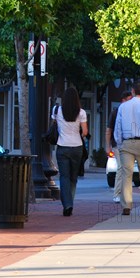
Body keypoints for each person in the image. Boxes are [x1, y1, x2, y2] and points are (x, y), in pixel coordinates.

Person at [113, 81, 140, 216]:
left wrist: (120, 143)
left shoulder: (123, 107)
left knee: (127, 175)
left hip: (126, 143)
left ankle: (126, 206)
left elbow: (118, 127)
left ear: (132, 91)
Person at [53, 86, 88, 216]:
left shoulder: (56, 110)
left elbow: (55, 126)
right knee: (73, 177)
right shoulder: (82, 112)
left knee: (64, 177)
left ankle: (67, 204)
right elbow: (85, 132)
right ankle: (69, 203)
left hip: (62, 147)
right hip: (77, 147)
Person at [105, 90, 133, 202]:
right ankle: (117, 194)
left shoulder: (132, 113)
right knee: (121, 168)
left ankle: (124, 194)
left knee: (127, 169)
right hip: (118, 145)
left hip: (130, 144)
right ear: (123, 100)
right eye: (129, 100)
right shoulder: (115, 113)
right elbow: (108, 130)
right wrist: (108, 146)